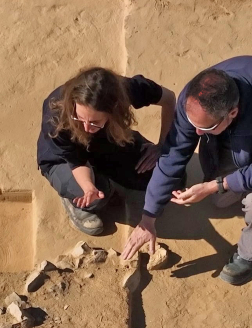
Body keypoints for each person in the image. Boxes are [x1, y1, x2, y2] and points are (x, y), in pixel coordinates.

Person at [121, 56, 252, 285]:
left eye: (204, 128)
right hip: (235, 141)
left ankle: (250, 255)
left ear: (232, 113)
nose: (195, 133)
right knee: (220, 201)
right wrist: (148, 217)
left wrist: (217, 184)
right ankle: (234, 175)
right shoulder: (194, 99)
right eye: (193, 124)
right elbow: (173, 154)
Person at [38, 67, 176, 235]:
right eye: (79, 118)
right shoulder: (55, 116)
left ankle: (104, 175)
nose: (86, 128)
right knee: (98, 196)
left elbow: (169, 98)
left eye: (94, 121)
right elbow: (76, 162)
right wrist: (89, 188)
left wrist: (162, 145)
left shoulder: (127, 89)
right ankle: (72, 199)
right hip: (63, 159)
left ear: (114, 109)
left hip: (106, 143)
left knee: (166, 172)